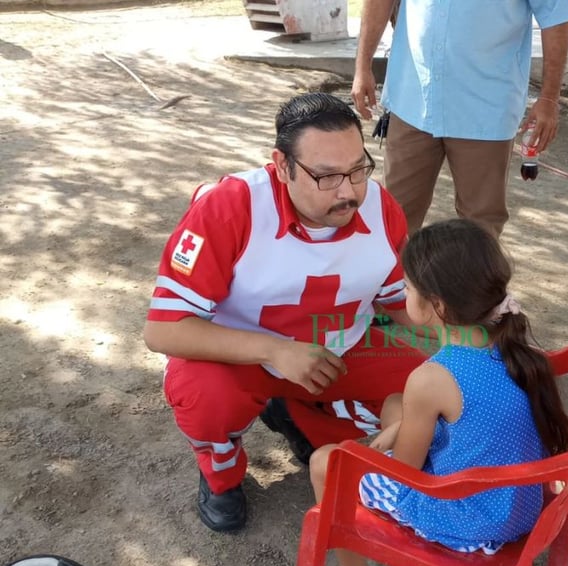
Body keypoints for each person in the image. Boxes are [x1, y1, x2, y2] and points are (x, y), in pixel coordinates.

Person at [143, 92, 427, 532]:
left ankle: (298, 413)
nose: (349, 192)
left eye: (358, 169)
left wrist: (473, 325)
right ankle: (222, 477)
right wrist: (276, 351)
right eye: (326, 176)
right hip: (241, 353)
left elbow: (396, 303)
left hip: (341, 344)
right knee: (204, 397)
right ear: (282, 165)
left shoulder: (381, 206)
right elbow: (163, 330)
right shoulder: (228, 207)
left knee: (436, 389)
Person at [308, 219, 568, 566]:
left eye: (409, 288)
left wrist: (373, 450)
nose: (403, 294)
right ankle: (398, 429)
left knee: (327, 462)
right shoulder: (515, 349)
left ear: (437, 306)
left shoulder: (434, 377)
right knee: (397, 406)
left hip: (471, 520)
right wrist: (399, 426)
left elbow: (407, 473)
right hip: (521, 503)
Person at [351, 0, 568, 236]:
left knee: (480, 227)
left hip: (485, 109)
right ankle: (395, 278)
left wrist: (549, 99)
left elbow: (558, 13)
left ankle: (473, 278)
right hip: (412, 98)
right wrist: (362, 66)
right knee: (395, 216)